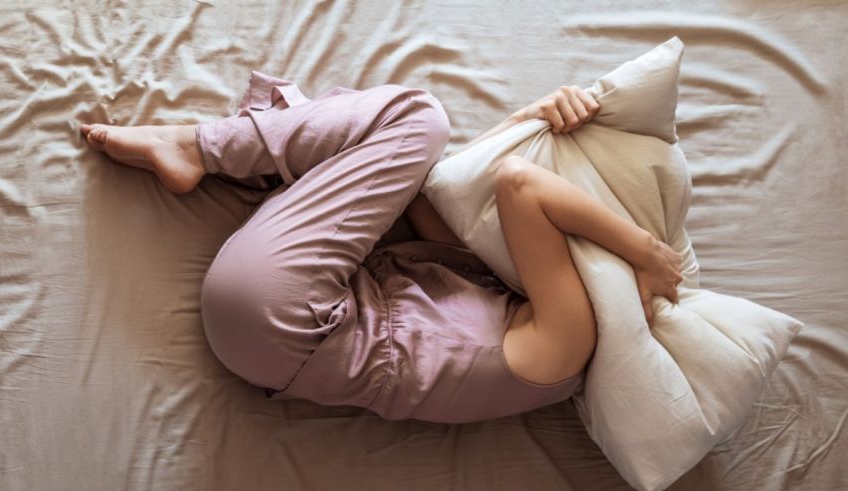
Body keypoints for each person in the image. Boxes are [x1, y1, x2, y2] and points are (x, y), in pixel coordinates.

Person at [79, 71, 682, 424]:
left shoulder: (564, 351)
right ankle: (232, 152)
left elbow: (518, 186)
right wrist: (530, 119)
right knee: (377, 137)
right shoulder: (502, 308)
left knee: (417, 115)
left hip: (285, 318)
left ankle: (200, 147)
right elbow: (429, 189)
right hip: (275, 332)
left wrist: (643, 250)